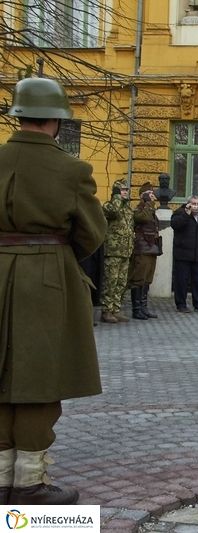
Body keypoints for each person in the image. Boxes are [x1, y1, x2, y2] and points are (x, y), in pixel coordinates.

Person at [0, 77, 106, 504]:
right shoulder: (71, 169)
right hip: (46, 281)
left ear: (19, 116)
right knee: (38, 381)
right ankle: (29, 485)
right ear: (57, 121)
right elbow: (92, 233)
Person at [171, 195, 198, 313]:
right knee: (181, 281)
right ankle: (181, 304)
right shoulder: (179, 213)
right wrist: (186, 214)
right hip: (183, 254)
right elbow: (175, 225)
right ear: (188, 204)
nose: (196, 206)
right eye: (193, 204)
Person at [100, 179, 134, 323]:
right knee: (111, 282)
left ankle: (115, 309)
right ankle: (106, 311)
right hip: (113, 251)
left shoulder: (127, 209)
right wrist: (116, 197)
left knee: (121, 282)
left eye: (127, 190)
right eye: (122, 190)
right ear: (115, 192)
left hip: (125, 251)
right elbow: (113, 212)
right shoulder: (109, 206)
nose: (126, 192)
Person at [129, 182, 161, 320]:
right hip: (142, 249)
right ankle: (136, 310)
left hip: (151, 248)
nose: (154, 196)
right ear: (144, 196)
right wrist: (148, 204)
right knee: (139, 279)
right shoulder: (139, 209)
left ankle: (143, 307)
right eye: (151, 194)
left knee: (147, 279)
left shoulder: (151, 209)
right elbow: (143, 218)